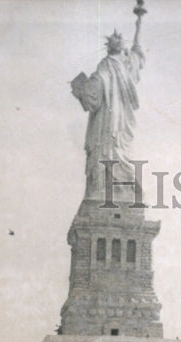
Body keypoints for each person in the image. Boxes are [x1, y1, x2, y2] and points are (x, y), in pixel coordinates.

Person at [71, 8, 146, 201]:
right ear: (122, 50)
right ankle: (115, 189)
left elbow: (92, 94)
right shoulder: (126, 67)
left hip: (108, 122)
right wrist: (139, 24)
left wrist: (80, 86)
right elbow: (138, 52)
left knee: (107, 150)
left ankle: (106, 189)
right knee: (118, 151)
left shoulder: (107, 66)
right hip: (117, 122)